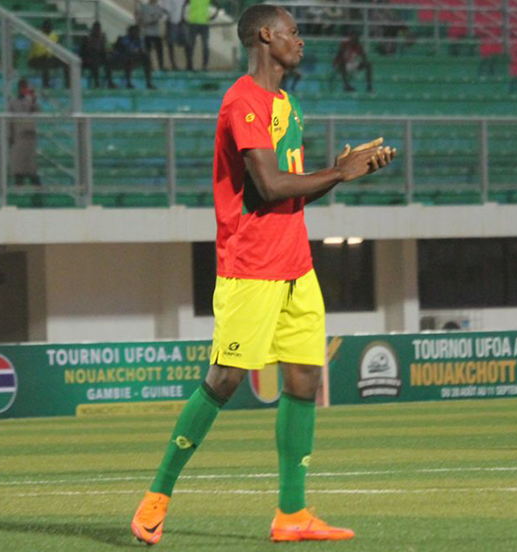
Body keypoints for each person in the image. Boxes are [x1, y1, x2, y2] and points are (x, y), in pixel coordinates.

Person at [130, 4, 396, 546]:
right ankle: (156, 497)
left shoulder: (287, 105)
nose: (301, 41)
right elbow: (269, 187)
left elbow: (291, 189)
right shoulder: (243, 101)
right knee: (224, 380)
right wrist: (338, 173)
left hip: (297, 266)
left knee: (305, 378)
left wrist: (341, 173)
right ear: (267, 36)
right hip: (251, 269)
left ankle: (291, 514)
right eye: (293, 32)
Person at [9, 78, 41, 186]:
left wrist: (34, 99)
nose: (23, 90)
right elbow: (9, 120)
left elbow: (37, 112)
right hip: (18, 136)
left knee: (31, 165)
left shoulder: (31, 101)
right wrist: (10, 136)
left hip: (29, 136)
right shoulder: (13, 102)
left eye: (25, 87)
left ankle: (37, 189)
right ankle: (19, 186)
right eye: (22, 87)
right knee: (18, 165)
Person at [28, 19, 69, 89]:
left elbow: (57, 47)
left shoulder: (54, 35)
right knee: (45, 60)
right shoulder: (37, 35)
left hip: (49, 58)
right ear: (43, 28)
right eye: (47, 27)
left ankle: (68, 85)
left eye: (50, 27)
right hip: (35, 59)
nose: (49, 29)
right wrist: (47, 54)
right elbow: (37, 51)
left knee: (66, 62)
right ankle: (46, 85)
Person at [79, 22, 116, 88]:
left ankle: (110, 82)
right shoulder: (86, 39)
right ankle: (97, 83)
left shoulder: (102, 39)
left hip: (98, 58)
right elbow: (83, 52)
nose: (97, 31)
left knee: (107, 61)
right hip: (88, 59)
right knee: (95, 61)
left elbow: (104, 51)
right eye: (95, 29)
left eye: (98, 29)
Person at [184, 0, 218, 71]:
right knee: (194, 45)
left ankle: (202, 66)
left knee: (201, 46)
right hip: (196, 23)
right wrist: (213, 16)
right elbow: (183, 6)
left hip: (200, 23)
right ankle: (191, 65)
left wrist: (213, 16)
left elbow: (217, 5)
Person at [136, 0, 166, 70]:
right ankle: (149, 66)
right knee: (148, 51)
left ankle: (161, 66)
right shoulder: (144, 7)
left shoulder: (159, 8)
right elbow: (140, 18)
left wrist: (147, 21)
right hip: (147, 33)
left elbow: (158, 18)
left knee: (159, 51)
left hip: (156, 33)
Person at [161, 0, 188, 70]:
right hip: (171, 21)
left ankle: (188, 64)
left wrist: (184, 17)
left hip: (181, 21)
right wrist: (167, 19)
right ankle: (173, 64)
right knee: (171, 43)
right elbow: (164, 8)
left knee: (187, 43)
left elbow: (185, 4)